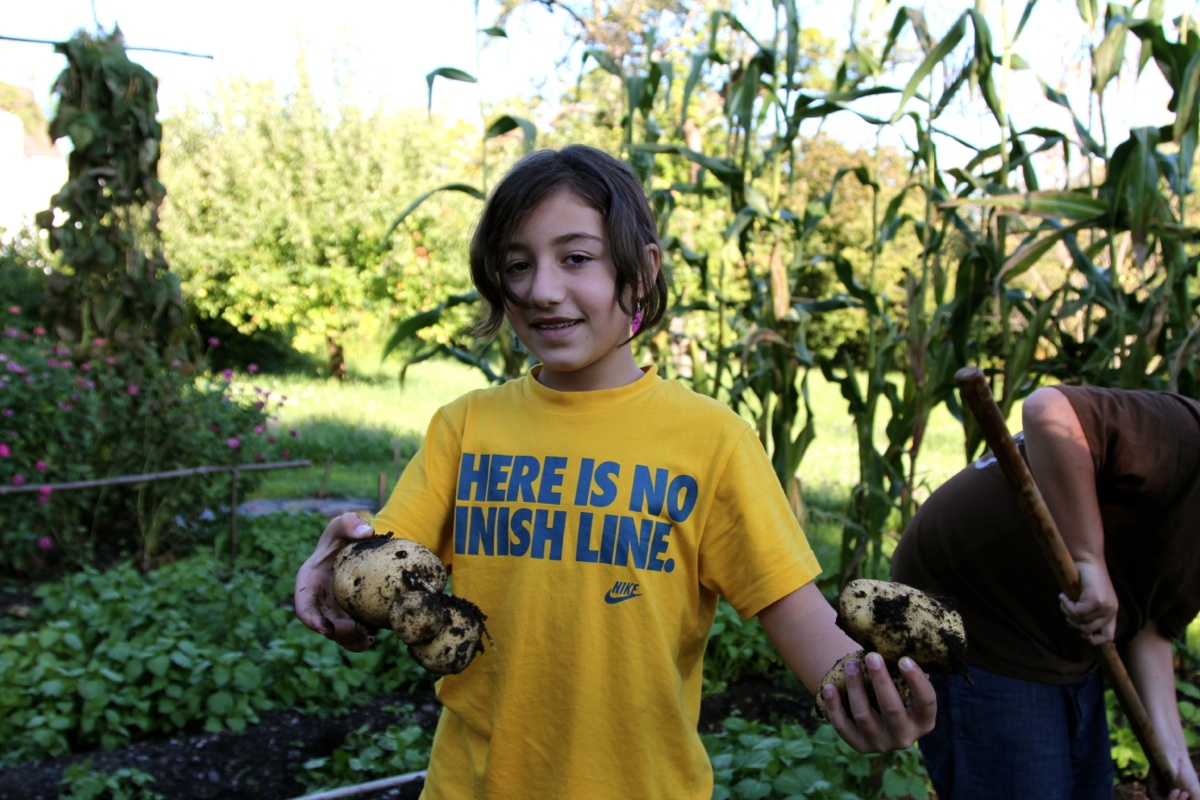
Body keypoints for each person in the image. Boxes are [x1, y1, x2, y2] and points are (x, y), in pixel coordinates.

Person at [294, 144, 936, 799]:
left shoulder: (712, 440)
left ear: (642, 270)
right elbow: (387, 567)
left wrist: (863, 691)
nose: (542, 290)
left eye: (576, 258)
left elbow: (792, 607)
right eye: (517, 264)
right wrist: (339, 573)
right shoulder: (465, 428)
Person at [891, 384, 1200, 800]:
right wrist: (1088, 558)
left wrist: (1172, 755)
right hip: (975, 611)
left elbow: (1149, 619)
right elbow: (1050, 410)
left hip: (1058, 630)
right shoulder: (1183, 434)